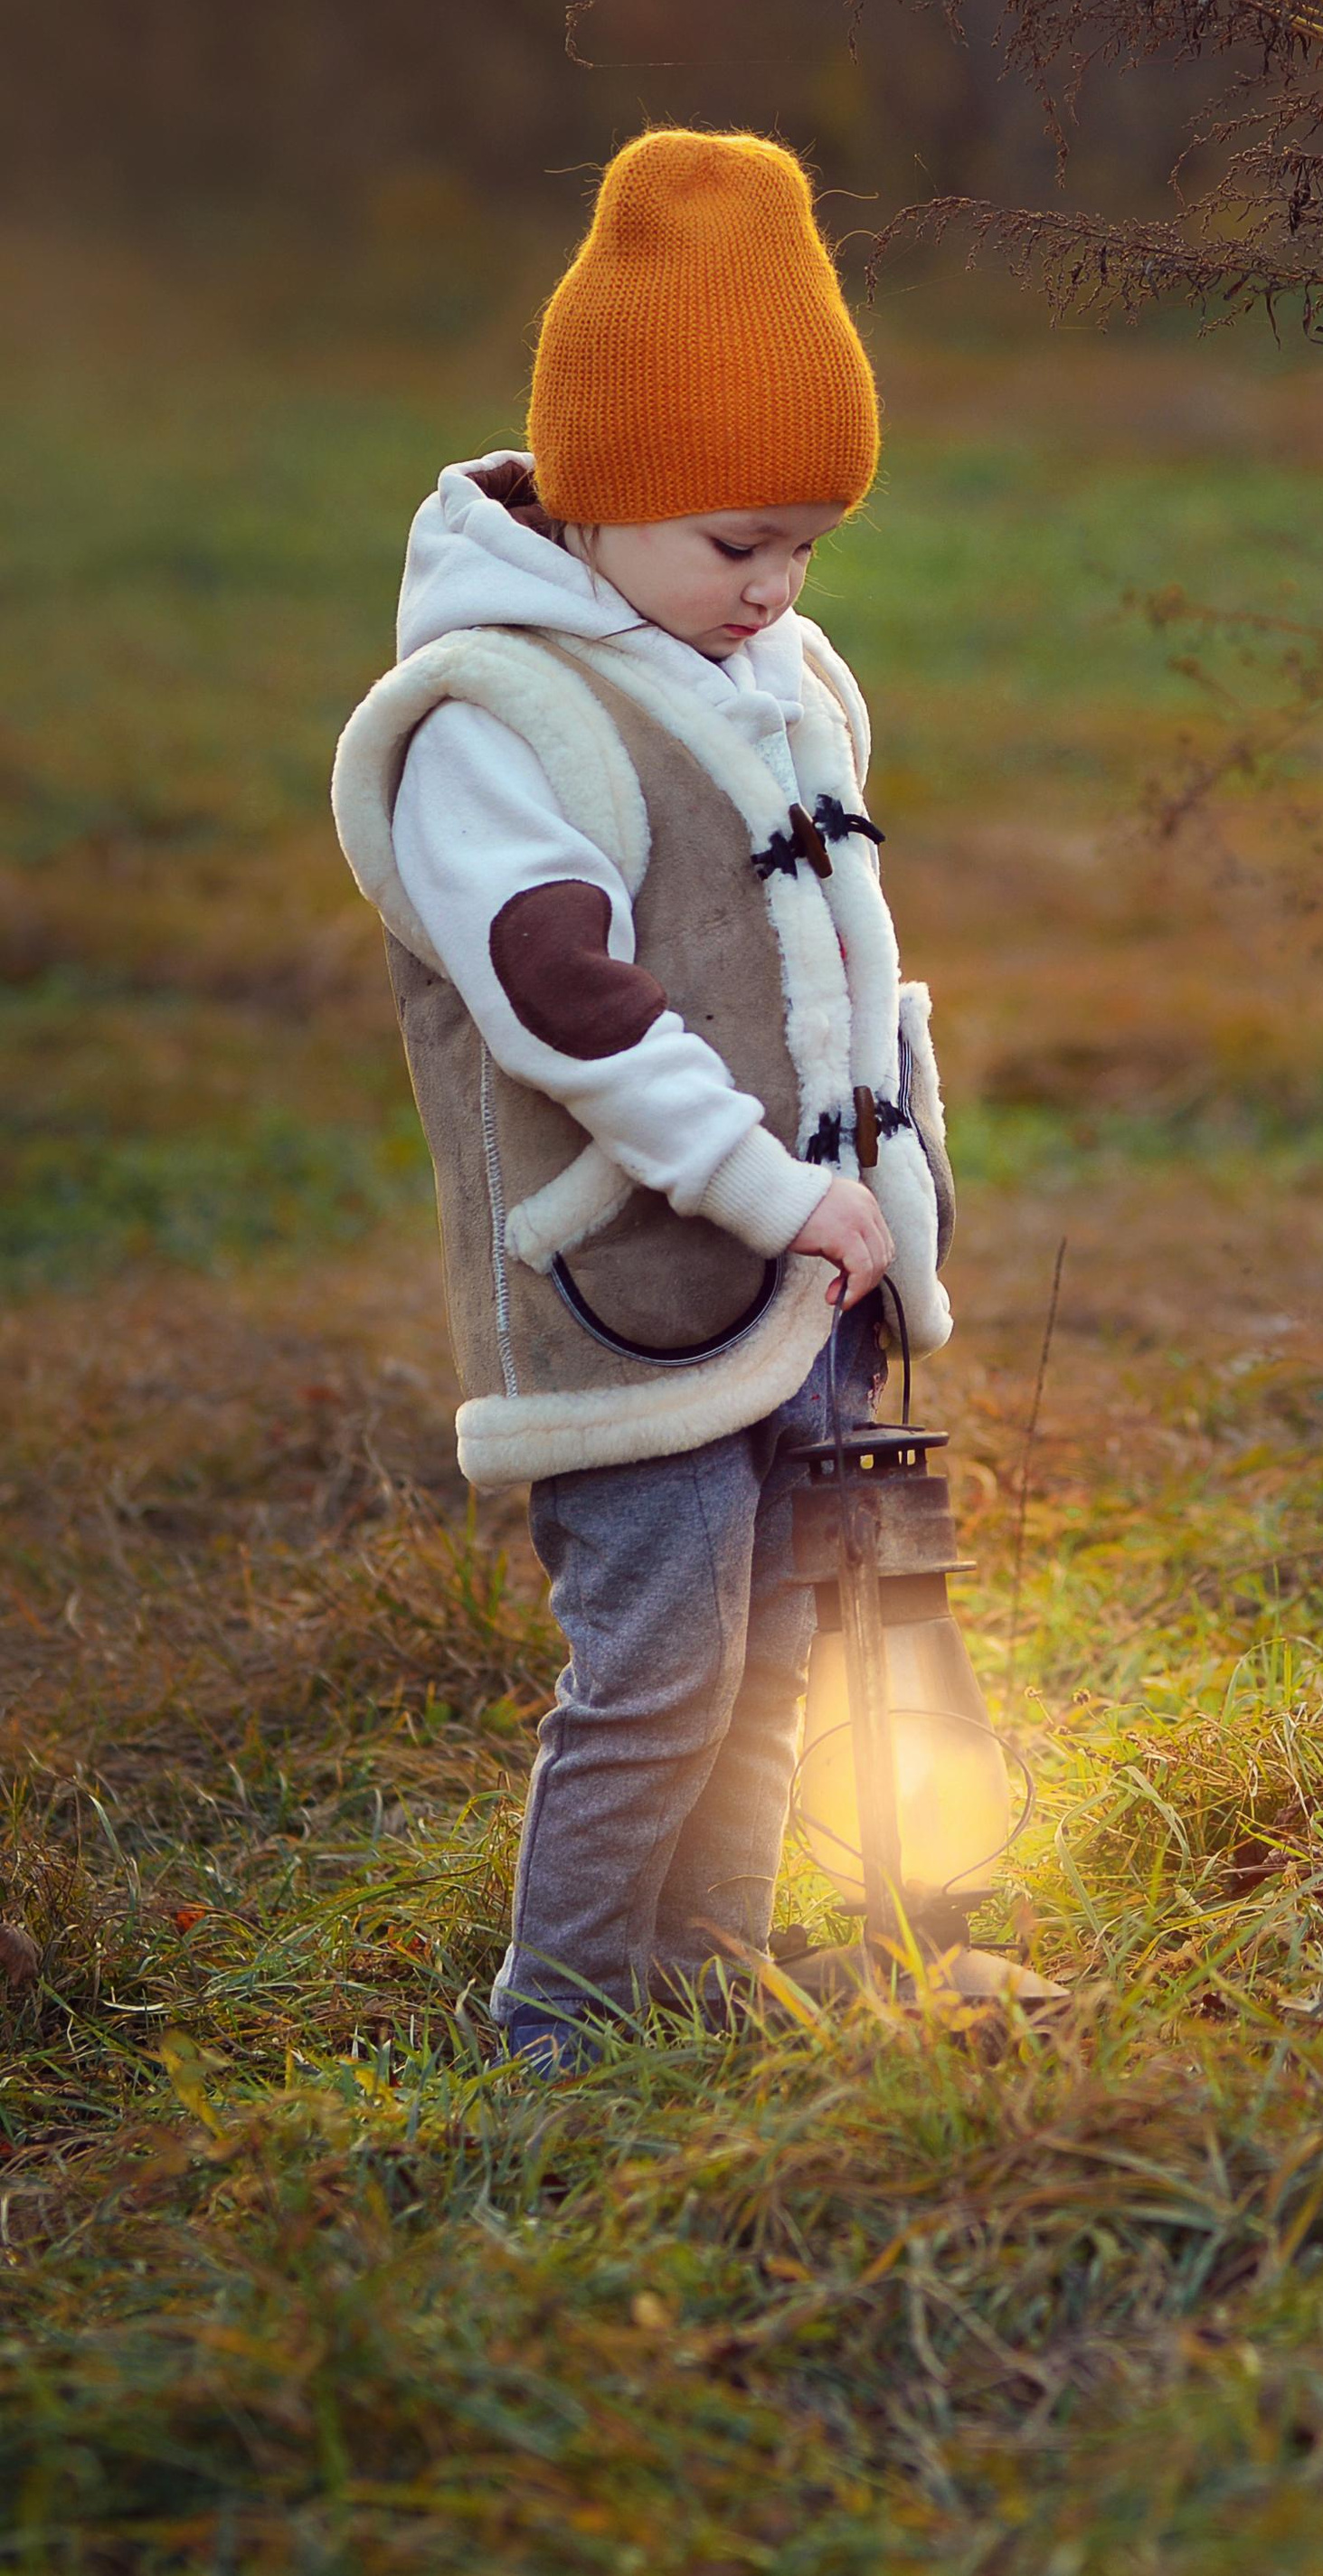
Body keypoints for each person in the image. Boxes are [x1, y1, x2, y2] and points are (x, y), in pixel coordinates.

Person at [331, 128, 955, 2076]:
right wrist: (771, 1190)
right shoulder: (495, 720)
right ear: (601, 496)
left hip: (805, 1280)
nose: (775, 589)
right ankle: (564, 2021)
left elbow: (828, 955)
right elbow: (562, 998)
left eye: (803, 546)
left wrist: (880, 1183)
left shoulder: (759, 669)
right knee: (659, 1666)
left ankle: (709, 1978)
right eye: (735, 543)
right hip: (643, 1294)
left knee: (775, 1653)